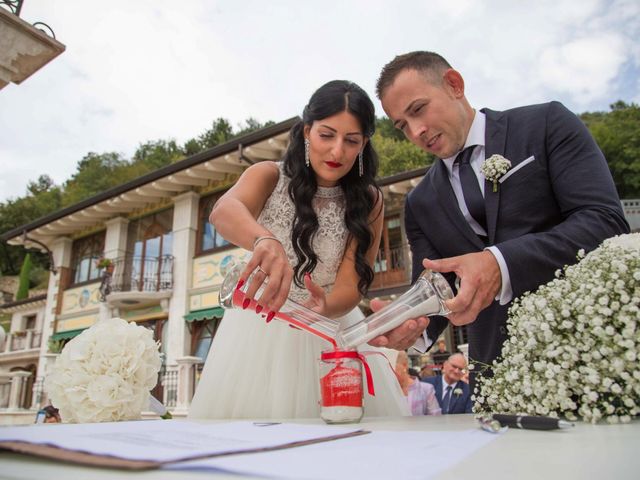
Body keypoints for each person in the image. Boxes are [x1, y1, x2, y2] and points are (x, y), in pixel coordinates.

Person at [369, 51, 630, 369]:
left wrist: (500, 263)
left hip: (584, 351)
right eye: (402, 126)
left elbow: (604, 221)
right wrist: (409, 324)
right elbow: (435, 285)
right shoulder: (419, 201)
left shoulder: (546, 124)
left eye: (418, 109)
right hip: (493, 370)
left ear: (454, 84)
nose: (416, 132)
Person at [189, 80, 410, 419]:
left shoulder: (370, 201)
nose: (337, 151)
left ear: (364, 144)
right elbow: (223, 211)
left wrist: (325, 305)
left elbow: (352, 286)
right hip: (258, 330)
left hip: (329, 328)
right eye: (327, 135)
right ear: (307, 131)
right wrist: (265, 240)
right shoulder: (268, 175)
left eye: (351, 141)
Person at [394, 350, 441, 416]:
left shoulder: (426, 389)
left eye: (391, 368)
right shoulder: (385, 390)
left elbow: (436, 418)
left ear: (404, 365)